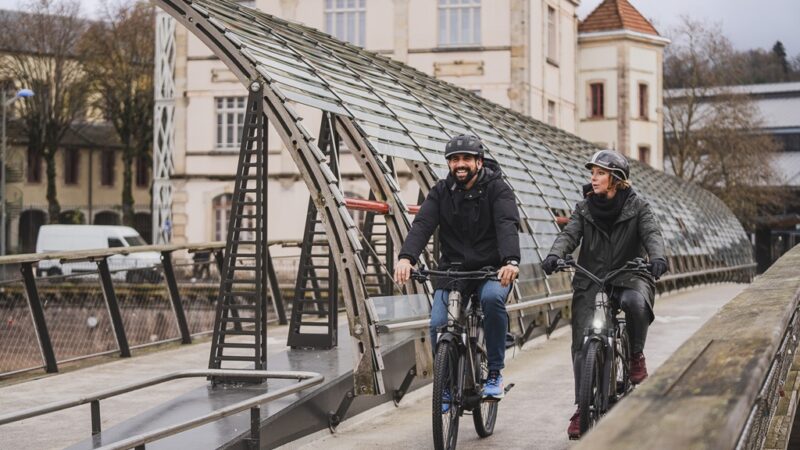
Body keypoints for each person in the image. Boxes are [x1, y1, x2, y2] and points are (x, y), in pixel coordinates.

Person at [540, 150, 668, 439]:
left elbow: (652, 234)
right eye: (592, 173)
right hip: (591, 278)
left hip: (629, 274)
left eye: (599, 173)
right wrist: (554, 255)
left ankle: (635, 355)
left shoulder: (638, 207)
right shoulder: (584, 208)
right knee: (581, 343)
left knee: (635, 302)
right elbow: (568, 235)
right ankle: (582, 405)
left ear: (616, 179)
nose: (593, 178)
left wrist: (657, 258)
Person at [394, 134, 521, 401]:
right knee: (439, 323)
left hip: (491, 268)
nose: (459, 164)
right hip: (453, 269)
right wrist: (406, 258)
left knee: (491, 299)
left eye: (465, 159)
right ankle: (446, 385)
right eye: (454, 160)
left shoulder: (498, 189)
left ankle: (495, 371)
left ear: (478, 161)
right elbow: (423, 225)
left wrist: (510, 261)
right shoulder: (441, 191)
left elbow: (507, 224)